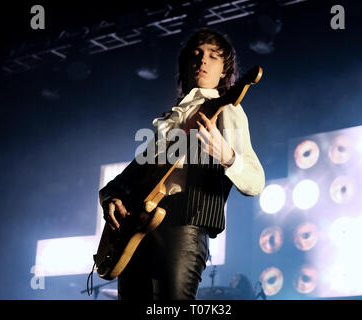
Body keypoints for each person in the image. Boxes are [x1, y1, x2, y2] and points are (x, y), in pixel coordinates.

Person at [99, 28, 265, 300]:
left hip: (184, 227)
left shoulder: (227, 110)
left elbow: (256, 182)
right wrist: (110, 199)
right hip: (136, 233)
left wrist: (227, 155)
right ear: (185, 65)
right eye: (196, 55)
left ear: (224, 71)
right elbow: (125, 179)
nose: (203, 61)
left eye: (213, 56)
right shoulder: (172, 120)